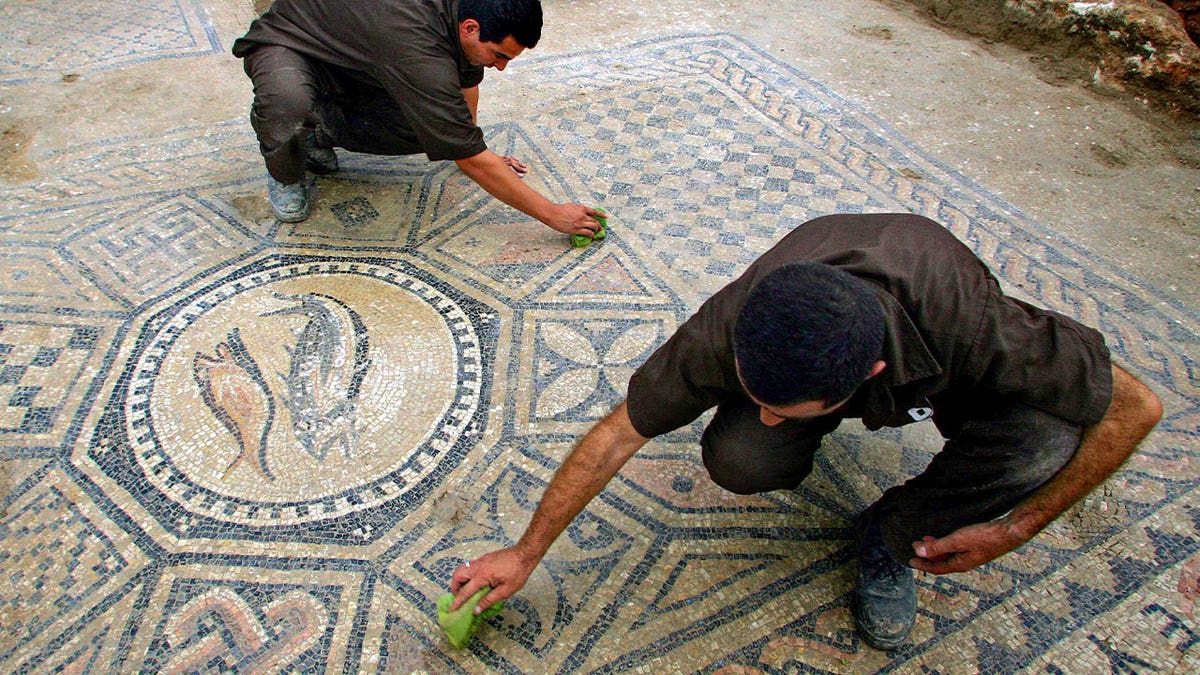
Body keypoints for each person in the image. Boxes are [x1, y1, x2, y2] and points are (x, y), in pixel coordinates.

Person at [448, 212, 1163, 649]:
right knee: (742, 455)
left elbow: (1138, 406)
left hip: (940, 340)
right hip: (838, 330)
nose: (760, 410)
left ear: (869, 377)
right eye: (755, 394)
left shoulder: (977, 326)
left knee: (1043, 438)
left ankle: (887, 536)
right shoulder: (726, 329)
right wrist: (527, 550)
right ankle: (801, 437)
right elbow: (614, 436)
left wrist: (1016, 528)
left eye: (782, 407)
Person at [232, 0, 604, 233]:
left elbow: (464, 87)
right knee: (289, 103)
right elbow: (469, 157)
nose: (502, 67)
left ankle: (318, 130)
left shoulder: (463, 14)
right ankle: (289, 155)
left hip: (357, 56)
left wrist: (472, 144)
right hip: (291, 43)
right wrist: (552, 213)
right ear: (470, 28)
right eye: (499, 55)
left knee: (428, 129)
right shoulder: (417, 47)